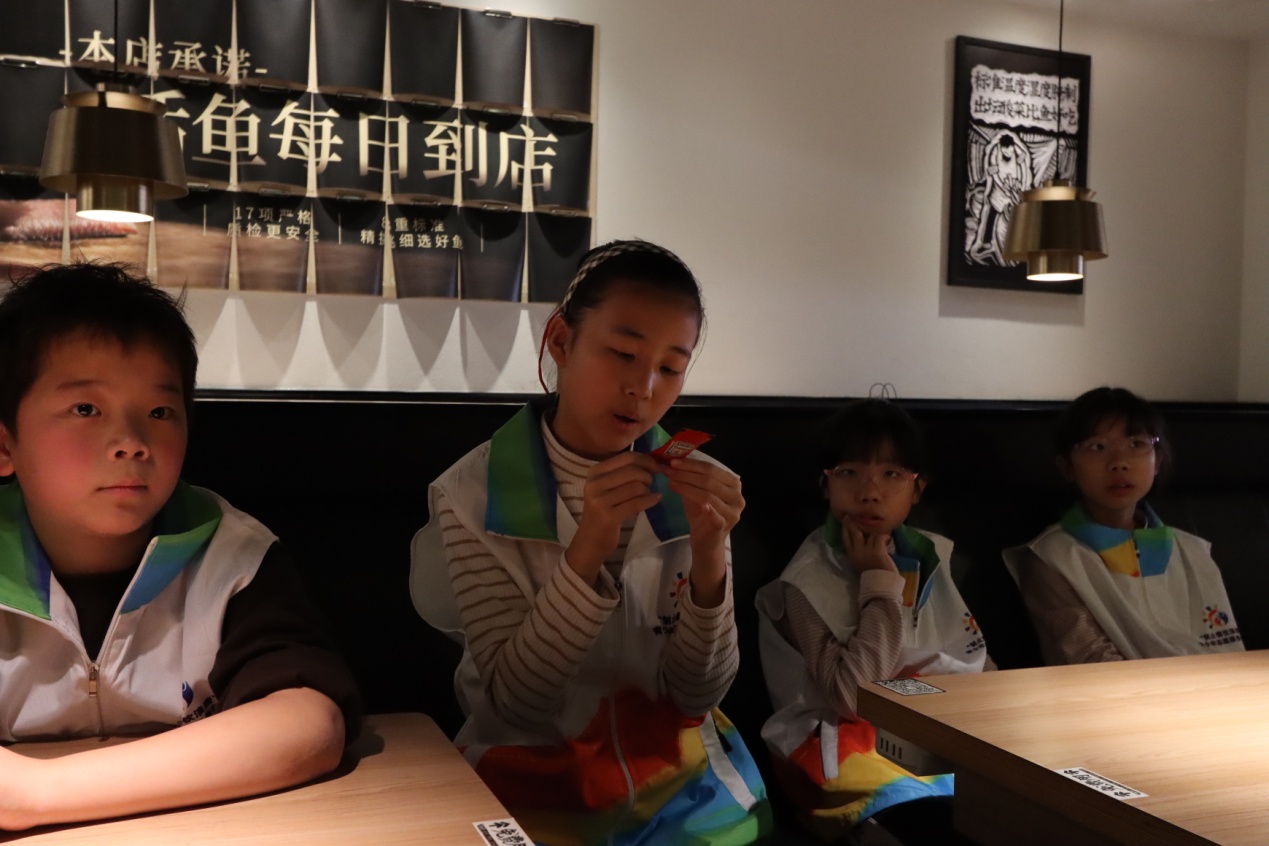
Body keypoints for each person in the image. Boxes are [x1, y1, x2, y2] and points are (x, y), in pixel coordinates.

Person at [411, 240, 770, 845]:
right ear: (561, 340)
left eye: (671, 367)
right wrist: (589, 548)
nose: (644, 387)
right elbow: (514, 708)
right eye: (623, 353)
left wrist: (711, 554)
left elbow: (697, 697)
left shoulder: (695, 487)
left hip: (678, 780)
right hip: (532, 776)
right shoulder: (471, 495)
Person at [0, 263, 361, 831]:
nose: (131, 442)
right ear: (5, 445)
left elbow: (309, 721)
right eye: (86, 409)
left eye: (160, 412)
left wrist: (37, 792)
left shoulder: (232, 555)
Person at [756, 399, 990, 844]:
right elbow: (852, 697)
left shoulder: (930, 553)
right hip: (840, 740)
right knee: (927, 814)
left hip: (933, 724)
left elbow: (973, 656)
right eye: (849, 472)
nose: (870, 491)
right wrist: (879, 581)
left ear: (917, 489)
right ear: (824, 484)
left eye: (891, 474)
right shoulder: (804, 579)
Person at [1003, 387, 1243, 664]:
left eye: (1137, 444)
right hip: (1119, 690)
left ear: (1157, 462)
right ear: (1067, 467)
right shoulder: (1051, 559)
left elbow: (1226, 649)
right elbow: (1093, 659)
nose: (1119, 463)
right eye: (1097, 447)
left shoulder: (1191, 550)